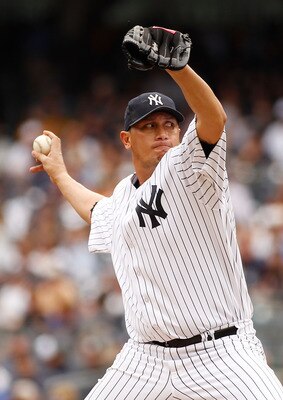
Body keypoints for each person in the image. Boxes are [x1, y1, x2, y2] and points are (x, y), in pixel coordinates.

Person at [30, 26, 283, 400]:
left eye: (169, 124)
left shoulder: (189, 166)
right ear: (126, 139)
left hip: (220, 353)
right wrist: (59, 173)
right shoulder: (123, 195)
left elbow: (214, 120)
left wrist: (179, 70)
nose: (162, 132)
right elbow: (97, 209)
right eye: (148, 127)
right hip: (144, 359)